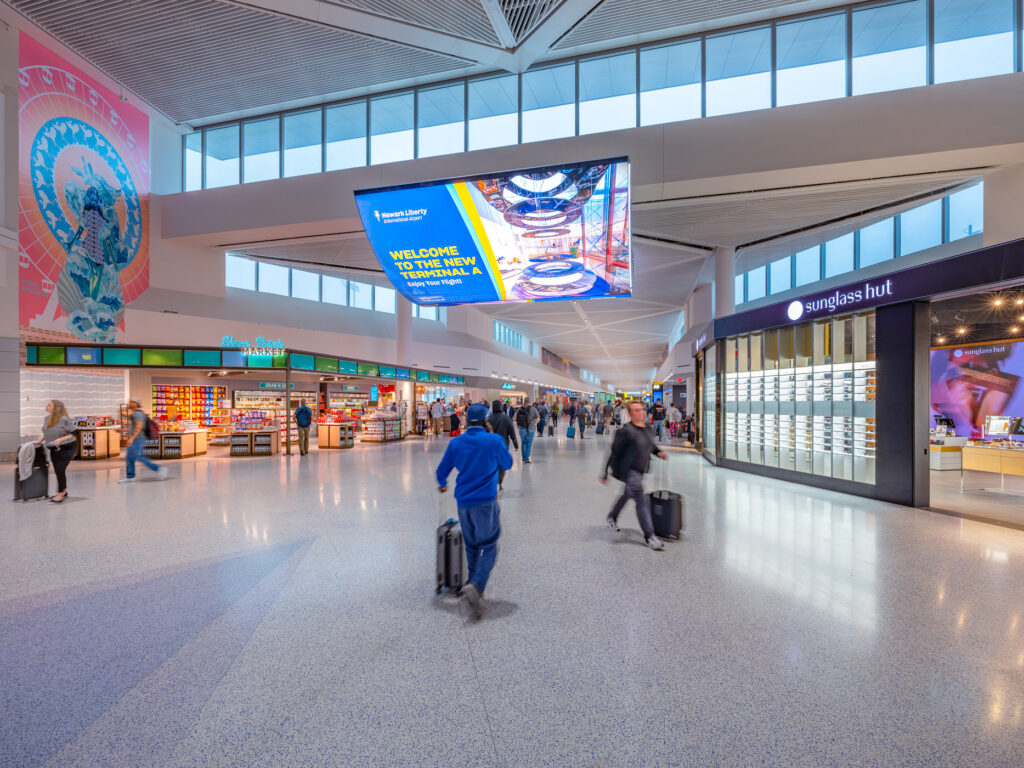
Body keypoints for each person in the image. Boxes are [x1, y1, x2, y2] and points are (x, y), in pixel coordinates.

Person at [436, 403, 514, 620]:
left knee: (471, 545)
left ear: (466, 420)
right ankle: (476, 585)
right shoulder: (494, 440)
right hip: (486, 502)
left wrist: (442, 484)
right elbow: (507, 464)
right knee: (489, 546)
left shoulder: (456, 443)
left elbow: (441, 472)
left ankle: (472, 586)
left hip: (463, 503)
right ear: (485, 419)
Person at [601, 400, 668, 551]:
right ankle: (649, 536)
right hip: (628, 471)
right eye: (636, 410)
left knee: (627, 493)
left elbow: (650, 445)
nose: (640, 412)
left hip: (640, 469)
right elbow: (613, 452)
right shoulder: (625, 431)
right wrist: (604, 472)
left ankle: (612, 516)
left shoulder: (647, 428)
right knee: (641, 499)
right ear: (630, 414)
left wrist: (658, 452)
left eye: (641, 410)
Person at [36, 400, 77, 503]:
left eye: (49, 405)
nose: (47, 406)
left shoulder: (64, 419)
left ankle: (60, 493)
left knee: (60, 469)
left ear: (56, 408)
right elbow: (47, 433)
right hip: (54, 448)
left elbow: (75, 433)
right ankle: (64, 490)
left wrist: (61, 439)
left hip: (67, 447)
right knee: (58, 470)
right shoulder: (46, 419)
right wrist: (39, 442)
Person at [120, 400, 169, 483]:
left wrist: (131, 438)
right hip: (135, 439)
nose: (129, 403)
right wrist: (123, 430)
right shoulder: (134, 413)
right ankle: (130, 477)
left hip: (138, 439)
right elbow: (134, 428)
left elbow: (139, 427)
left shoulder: (138, 413)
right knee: (129, 457)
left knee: (138, 457)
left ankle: (160, 469)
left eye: (131, 402)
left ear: (135, 403)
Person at [486, 401, 519, 493]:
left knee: (492, 464)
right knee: (501, 465)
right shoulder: (506, 418)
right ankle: (499, 484)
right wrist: (516, 444)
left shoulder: (488, 419)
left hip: (490, 446)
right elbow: (512, 432)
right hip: (503, 445)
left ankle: (492, 483)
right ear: (501, 407)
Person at [515, 399, 539, 463]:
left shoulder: (520, 409)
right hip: (531, 428)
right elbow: (538, 418)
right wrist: (534, 423)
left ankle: (523, 458)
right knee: (529, 444)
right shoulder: (533, 409)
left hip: (522, 428)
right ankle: (526, 459)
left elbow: (516, 417)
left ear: (524, 402)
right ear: (530, 402)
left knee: (523, 443)